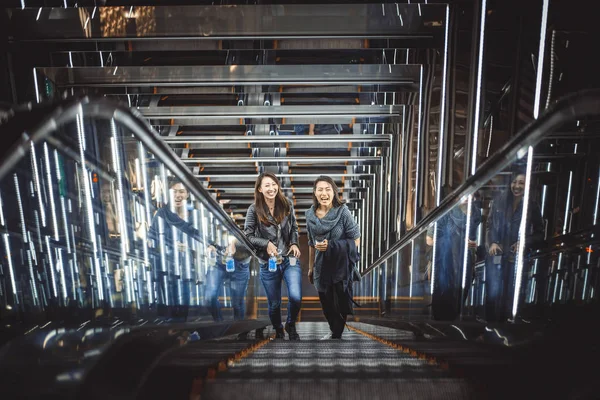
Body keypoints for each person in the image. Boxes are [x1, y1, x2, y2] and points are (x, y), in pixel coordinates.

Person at [244, 172, 302, 340]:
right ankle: (278, 328)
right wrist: (266, 243)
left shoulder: (286, 204)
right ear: (260, 189)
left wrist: (294, 243)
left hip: (289, 258)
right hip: (267, 262)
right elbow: (247, 236)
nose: (271, 188)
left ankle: (290, 324)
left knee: (296, 297)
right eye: (267, 185)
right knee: (274, 304)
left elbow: (294, 229)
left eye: (274, 184)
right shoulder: (253, 209)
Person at [306, 175, 361, 340]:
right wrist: (310, 267)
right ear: (315, 193)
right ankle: (334, 330)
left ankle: (336, 334)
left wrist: (332, 246)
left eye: (328, 189)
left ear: (334, 192)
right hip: (321, 266)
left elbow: (356, 239)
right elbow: (310, 243)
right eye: (320, 189)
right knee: (326, 302)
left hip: (340, 266)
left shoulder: (343, 212)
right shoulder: (310, 215)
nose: (324, 193)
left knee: (340, 300)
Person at [485, 170, 544, 322]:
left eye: (521, 183)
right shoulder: (499, 201)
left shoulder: (532, 205)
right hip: (496, 255)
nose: (516, 186)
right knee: (493, 292)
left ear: (527, 185)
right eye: (514, 182)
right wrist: (491, 242)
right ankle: (491, 325)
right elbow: (489, 225)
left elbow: (539, 233)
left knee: (512, 292)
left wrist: (524, 241)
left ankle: (509, 325)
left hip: (516, 257)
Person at [426, 193, 482, 320]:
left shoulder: (475, 213)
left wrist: (473, 243)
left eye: (471, 194)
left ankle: (452, 322)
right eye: (465, 194)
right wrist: (453, 241)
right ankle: (440, 324)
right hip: (445, 259)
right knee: (443, 291)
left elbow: (473, 237)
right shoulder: (445, 212)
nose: (468, 197)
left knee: (463, 289)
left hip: (464, 258)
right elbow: (429, 240)